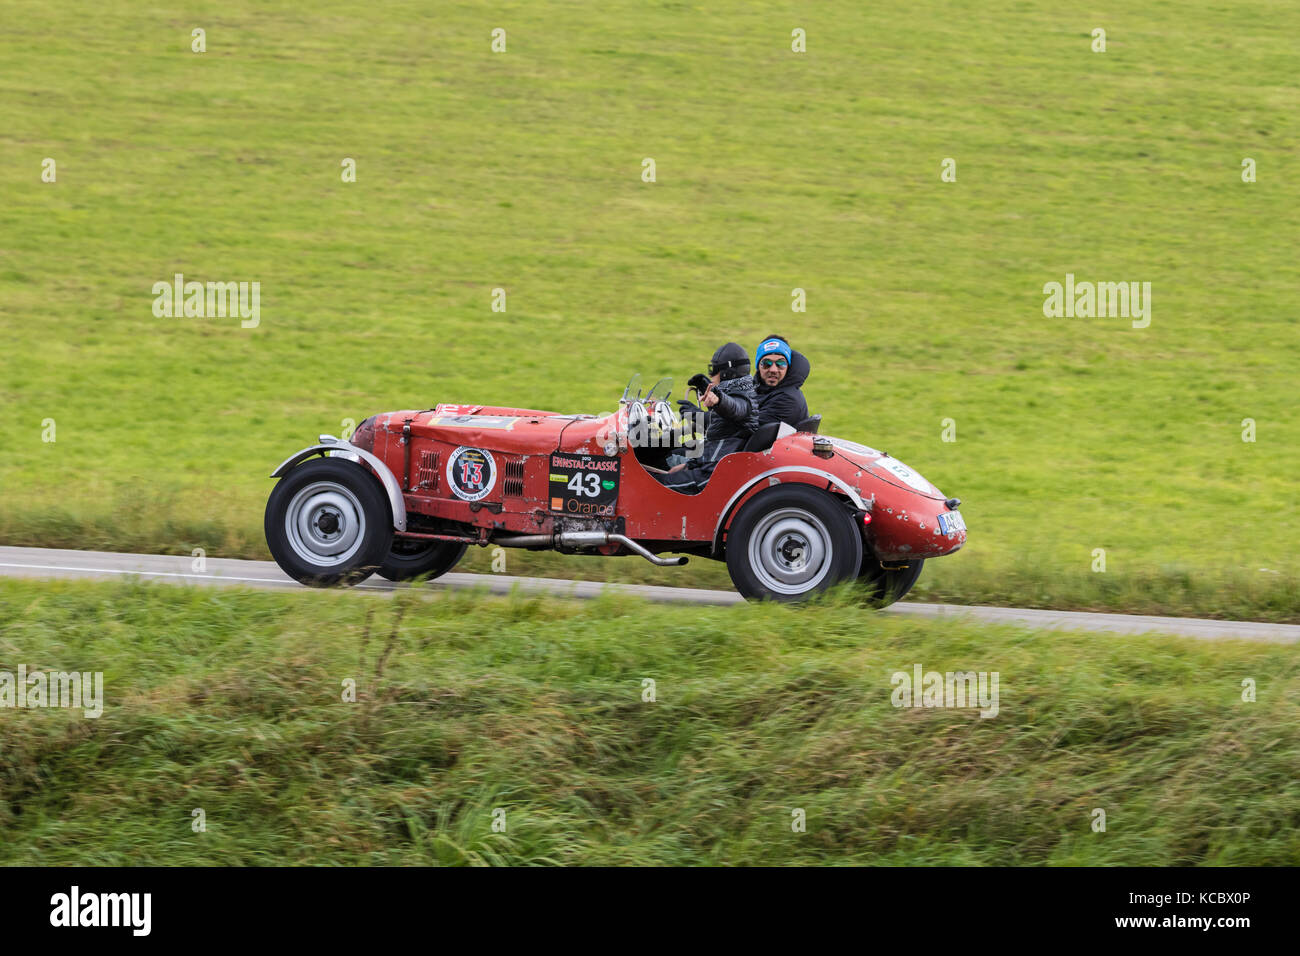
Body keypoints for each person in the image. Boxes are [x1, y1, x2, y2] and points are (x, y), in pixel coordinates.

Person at [653, 342, 757, 493]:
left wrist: (719, 399)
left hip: (712, 475)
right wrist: (688, 465)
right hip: (711, 466)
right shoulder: (743, 392)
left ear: (728, 372)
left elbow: (734, 407)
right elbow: (723, 421)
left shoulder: (744, 401)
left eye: (713, 370)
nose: (710, 374)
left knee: (652, 486)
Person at [752, 334, 810, 427]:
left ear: (788, 367)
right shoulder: (754, 388)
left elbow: (746, 428)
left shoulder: (787, 400)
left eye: (780, 363)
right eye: (767, 363)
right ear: (758, 366)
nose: (773, 370)